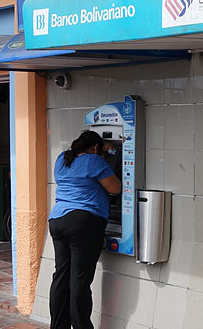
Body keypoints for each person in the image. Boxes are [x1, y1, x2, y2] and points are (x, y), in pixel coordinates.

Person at [49, 130, 121, 329]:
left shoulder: (62, 158)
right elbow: (115, 187)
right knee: (79, 280)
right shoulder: (94, 161)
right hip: (82, 223)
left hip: (57, 220)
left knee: (61, 277)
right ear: (96, 148)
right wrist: (108, 157)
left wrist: (102, 153)